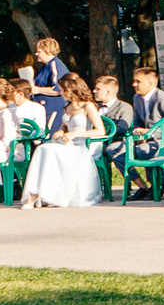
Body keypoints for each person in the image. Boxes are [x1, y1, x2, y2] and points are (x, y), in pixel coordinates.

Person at [21, 78, 107, 209]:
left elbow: (100, 131)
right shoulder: (68, 107)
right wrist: (60, 132)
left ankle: (46, 195)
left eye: (63, 90)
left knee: (50, 151)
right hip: (66, 144)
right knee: (42, 149)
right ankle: (34, 194)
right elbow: (64, 127)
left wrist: (75, 134)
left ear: (71, 90)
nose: (61, 93)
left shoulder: (87, 106)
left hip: (80, 146)